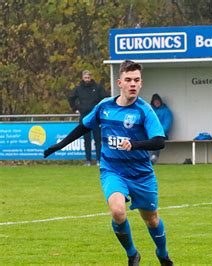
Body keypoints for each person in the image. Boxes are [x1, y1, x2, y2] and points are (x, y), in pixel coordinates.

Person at [44, 60, 173, 266]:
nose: (133, 84)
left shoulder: (144, 110)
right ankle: (132, 254)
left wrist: (134, 144)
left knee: (151, 219)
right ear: (119, 82)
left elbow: (159, 141)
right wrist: (59, 146)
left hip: (141, 175)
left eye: (137, 80)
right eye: (129, 80)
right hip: (113, 171)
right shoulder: (104, 106)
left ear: (141, 84)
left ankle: (163, 254)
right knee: (117, 211)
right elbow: (83, 127)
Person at [68, 70, 107, 166]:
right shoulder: (78, 88)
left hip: (95, 116)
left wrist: (101, 110)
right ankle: (88, 160)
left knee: (98, 139)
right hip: (84, 116)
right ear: (82, 78)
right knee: (86, 139)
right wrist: (76, 108)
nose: (87, 79)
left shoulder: (97, 87)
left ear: (91, 77)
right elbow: (71, 98)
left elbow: (105, 98)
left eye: (88, 77)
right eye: (85, 78)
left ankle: (99, 160)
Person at [150, 93, 173, 164]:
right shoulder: (150, 111)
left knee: (157, 138)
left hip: (162, 134)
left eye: (158, 101)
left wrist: (157, 132)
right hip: (150, 133)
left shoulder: (166, 111)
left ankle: (154, 157)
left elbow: (167, 125)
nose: (157, 103)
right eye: (155, 101)